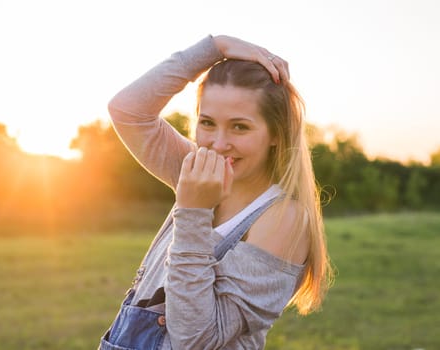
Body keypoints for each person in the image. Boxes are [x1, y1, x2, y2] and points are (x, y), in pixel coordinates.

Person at [99, 34, 333, 350]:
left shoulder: (283, 217)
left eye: (240, 127)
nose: (218, 144)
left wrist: (194, 212)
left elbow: (197, 339)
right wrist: (213, 48)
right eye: (207, 123)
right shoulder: (194, 168)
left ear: (276, 133)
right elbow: (128, 110)